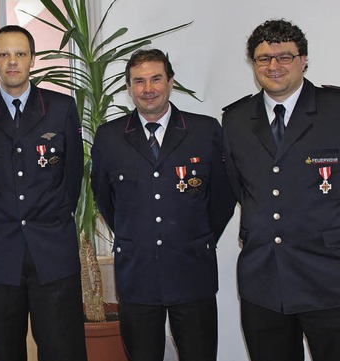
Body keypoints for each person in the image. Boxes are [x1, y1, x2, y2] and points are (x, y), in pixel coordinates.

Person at [90, 49, 235, 361]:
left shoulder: (205, 130)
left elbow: (223, 197)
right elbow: (104, 197)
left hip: (191, 268)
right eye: (139, 81)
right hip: (137, 272)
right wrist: (136, 234)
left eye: (156, 79)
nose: (148, 88)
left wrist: (197, 236)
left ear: (171, 82)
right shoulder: (109, 136)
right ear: (129, 89)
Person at [0, 25, 86, 361]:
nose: (12, 62)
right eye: (4, 54)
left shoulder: (60, 108)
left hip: (53, 253)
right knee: (5, 351)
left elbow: (73, 178)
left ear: (32, 60)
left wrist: (50, 219)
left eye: (20, 54)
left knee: (62, 351)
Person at [222, 19, 340, 361]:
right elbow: (238, 187)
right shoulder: (236, 119)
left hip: (329, 276)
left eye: (284, 57)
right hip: (264, 278)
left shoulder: (334, 110)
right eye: (263, 59)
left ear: (303, 60)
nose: (273, 66)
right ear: (253, 64)